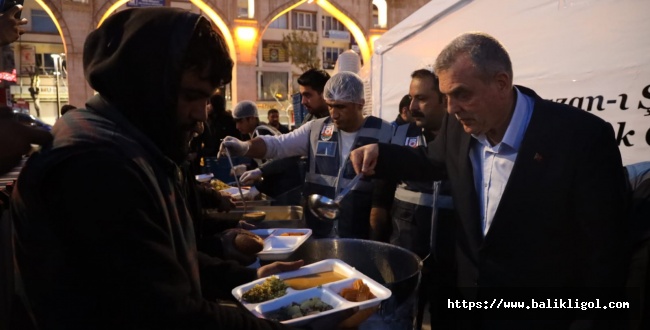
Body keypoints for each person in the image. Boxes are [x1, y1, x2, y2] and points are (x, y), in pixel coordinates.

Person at [10, 8, 312, 329]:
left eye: (206, 99)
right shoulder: (96, 162)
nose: (201, 115)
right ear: (145, 82)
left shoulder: (134, 144)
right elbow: (164, 313)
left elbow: (155, 262)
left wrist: (249, 278)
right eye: (190, 96)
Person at [350, 32, 628, 328]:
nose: (451, 109)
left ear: (501, 83)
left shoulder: (582, 138)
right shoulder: (458, 129)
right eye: (446, 97)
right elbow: (431, 161)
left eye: (461, 94)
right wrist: (381, 155)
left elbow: (605, 253)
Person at [222, 71, 394, 239]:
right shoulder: (315, 129)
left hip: (361, 232)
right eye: (330, 105)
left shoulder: (385, 132)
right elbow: (279, 144)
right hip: (319, 229)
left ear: (360, 104)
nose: (334, 114)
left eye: (341, 106)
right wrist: (245, 146)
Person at [383, 69, 455, 330]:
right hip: (406, 248)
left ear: (444, 100)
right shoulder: (399, 134)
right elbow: (383, 188)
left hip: (451, 255)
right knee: (402, 316)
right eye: (411, 98)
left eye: (421, 99)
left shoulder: (465, 138)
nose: (412, 106)